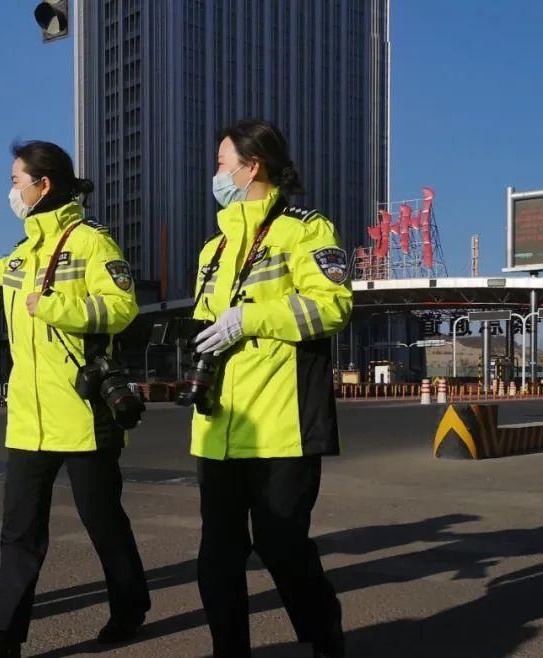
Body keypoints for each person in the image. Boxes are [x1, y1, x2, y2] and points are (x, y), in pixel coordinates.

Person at [0, 141, 151, 658]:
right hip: (30, 419)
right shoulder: (20, 254)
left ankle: (130, 607)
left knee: (102, 521)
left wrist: (55, 305)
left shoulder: (91, 243)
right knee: (18, 532)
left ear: (44, 185)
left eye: (16, 180)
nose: (11, 191)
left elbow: (122, 308)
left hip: (84, 414)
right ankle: (4, 638)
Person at [187, 119, 353, 658]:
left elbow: (333, 306)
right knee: (216, 561)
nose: (216, 172)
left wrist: (250, 318)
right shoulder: (213, 248)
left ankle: (325, 641)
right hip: (218, 430)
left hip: (283, 426)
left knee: (283, 550)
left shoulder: (305, 229)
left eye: (221, 162)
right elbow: (206, 324)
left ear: (250, 165)